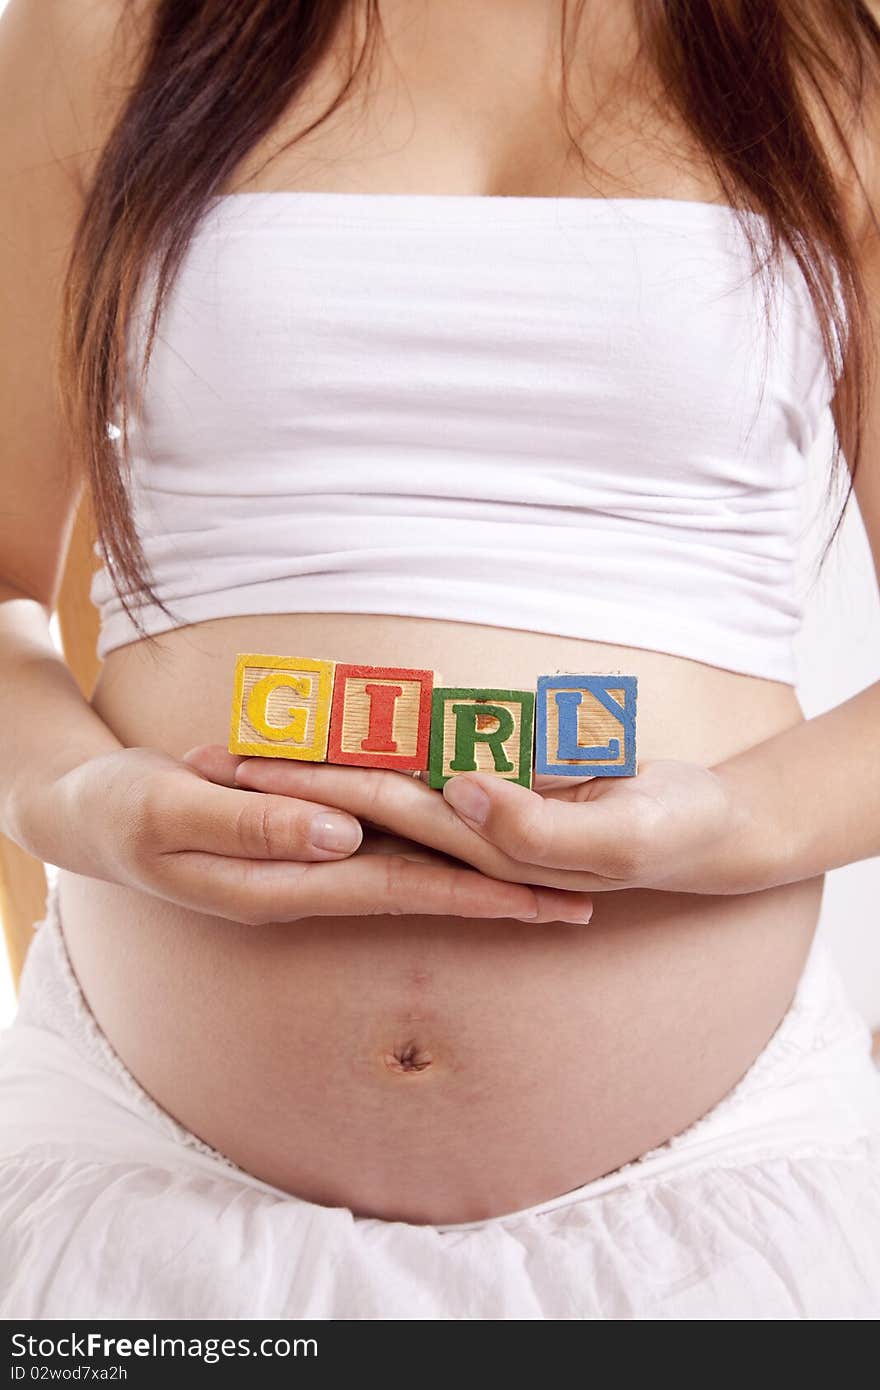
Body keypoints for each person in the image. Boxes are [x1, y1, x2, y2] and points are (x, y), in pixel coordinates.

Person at [1, 0, 879, 1320]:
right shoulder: (95, 29)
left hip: (711, 1223)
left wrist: (734, 823)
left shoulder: (832, 52)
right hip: (147, 1201)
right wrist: (71, 805)